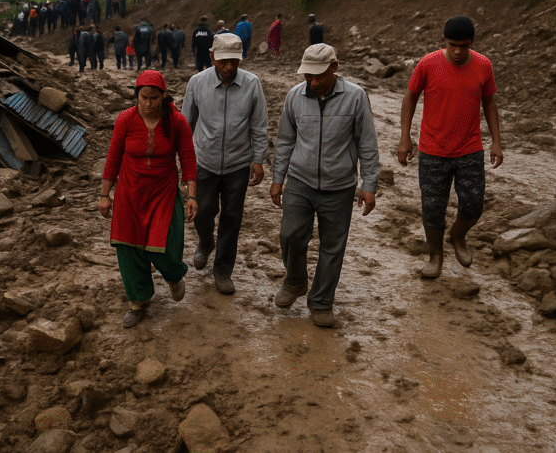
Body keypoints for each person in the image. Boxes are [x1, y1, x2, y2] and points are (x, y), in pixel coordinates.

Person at [270, 44, 380, 327]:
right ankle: (295, 281)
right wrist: (277, 179)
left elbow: (366, 143)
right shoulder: (295, 96)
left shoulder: (355, 97)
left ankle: (321, 302)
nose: (314, 82)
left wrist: (369, 184)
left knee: (333, 247)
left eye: (319, 75)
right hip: (299, 181)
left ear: (335, 67)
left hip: (339, 185)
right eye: (308, 76)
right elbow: (284, 141)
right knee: (290, 235)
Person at [398, 16, 503, 279]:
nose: (458, 51)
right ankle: (435, 256)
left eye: (464, 46)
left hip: (470, 149)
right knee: (433, 209)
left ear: (472, 44)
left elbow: (489, 102)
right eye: (453, 44)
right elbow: (410, 97)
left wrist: (497, 141)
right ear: (443, 40)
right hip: (433, 150)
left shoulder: (483, 66)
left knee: (473, 206)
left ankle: (457, 236)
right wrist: (404, 137)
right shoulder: (427, 63)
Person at [100, 70, 198, 328]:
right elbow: (113, 157)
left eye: (153, 98)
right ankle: (138, 301)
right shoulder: (125, 120)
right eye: (143, 97)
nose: (147, 103)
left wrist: (191, 196)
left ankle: (174, 276)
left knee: (166, 243)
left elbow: (188, 159)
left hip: (163, 192)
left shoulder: (177, 122)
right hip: (130, 193)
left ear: (163, 97)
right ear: (136, 96)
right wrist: (104, 194)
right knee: (129, 246)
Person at [182, 33, 268, 294]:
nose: (229, 67)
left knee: (232, 217)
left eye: (234, 61)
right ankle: (206, 242)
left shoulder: (252, 84)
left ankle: (223, 269)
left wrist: (258, 159)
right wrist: (185, 164)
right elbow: (186, 125)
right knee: (202, 211)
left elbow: (259, 126)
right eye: (223, 61)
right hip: (203, 162)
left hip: (238, 164)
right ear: (212, 57)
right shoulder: (197, 83)